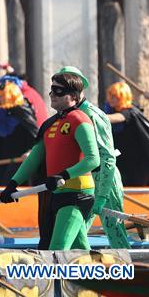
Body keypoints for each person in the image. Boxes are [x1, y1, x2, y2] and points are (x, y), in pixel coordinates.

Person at [0, 70, 99, 250]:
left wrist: (63, 175)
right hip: (57, 192)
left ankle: (54, 270)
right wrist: (13, 184)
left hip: (77, 193)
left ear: (73, 96)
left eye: (58, 91)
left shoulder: (80, 120)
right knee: (79, 248)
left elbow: (93, 159)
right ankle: (96, 268)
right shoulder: (50, 124)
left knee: (57, 248)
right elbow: (34, 158)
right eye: (52, 89)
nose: (52, 94)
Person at [55, 66, 129, 249]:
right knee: (77, 229)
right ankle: (79, 262)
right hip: (84, 182)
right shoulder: (66, 116)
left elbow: (108, 158)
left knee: (115, 232)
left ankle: (127, 264)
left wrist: (102, 195)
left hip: (104, 179)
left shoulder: (93, 115)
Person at [104, 82, 149, 186]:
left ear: (122, 97)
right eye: (110, 95)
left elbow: (118, 118)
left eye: (115, 96)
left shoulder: (130, 112)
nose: (111, 99)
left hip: (138, 162)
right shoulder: (110, 109)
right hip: (124, 158)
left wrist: (97, 116)